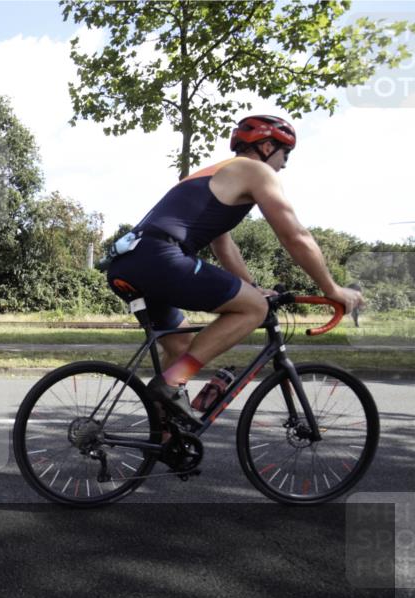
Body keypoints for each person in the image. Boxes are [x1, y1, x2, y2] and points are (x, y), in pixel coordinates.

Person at [105, 114, 364, 421]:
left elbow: (222, 244)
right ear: (267, 147)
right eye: (286, 154)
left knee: (181, 345)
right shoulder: (256, 171)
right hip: (161, 256)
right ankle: (172, 383)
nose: (285, 164)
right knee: (253, 310)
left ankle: (165, 441)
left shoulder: (214, 175)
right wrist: (332, 289)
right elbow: (295, 236)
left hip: (129, 262)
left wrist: (251, 286)